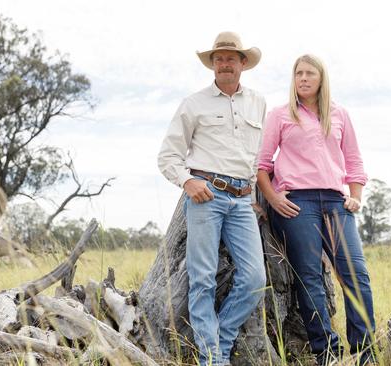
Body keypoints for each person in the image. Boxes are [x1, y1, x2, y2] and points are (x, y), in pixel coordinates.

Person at [256, 54, 376, 364]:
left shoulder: (339, 114)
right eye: (299, 73)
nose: (304, 78)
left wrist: (356, 196)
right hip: (298, 203)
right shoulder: (281, 115)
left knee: (355, 274)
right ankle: (326, 352)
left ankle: (365, 352)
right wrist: (273, 198)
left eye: (310, 73)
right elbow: (262, 164)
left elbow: (354, 160)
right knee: (309, 277)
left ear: (322, 79)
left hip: (337, 202)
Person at [157, 31, 267, 366]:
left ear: (242, 63)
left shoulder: (258, 103)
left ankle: (221, 337)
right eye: (218, 59)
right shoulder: (194, 103)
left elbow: (256, 155)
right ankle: (212, 359)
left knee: (255, 278)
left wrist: (255, 194)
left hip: (243, 201)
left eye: (230, 58)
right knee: (202, 280)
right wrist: (187, 182)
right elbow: (168, 157)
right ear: (212, 64)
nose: (224, 64)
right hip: (206, 195)